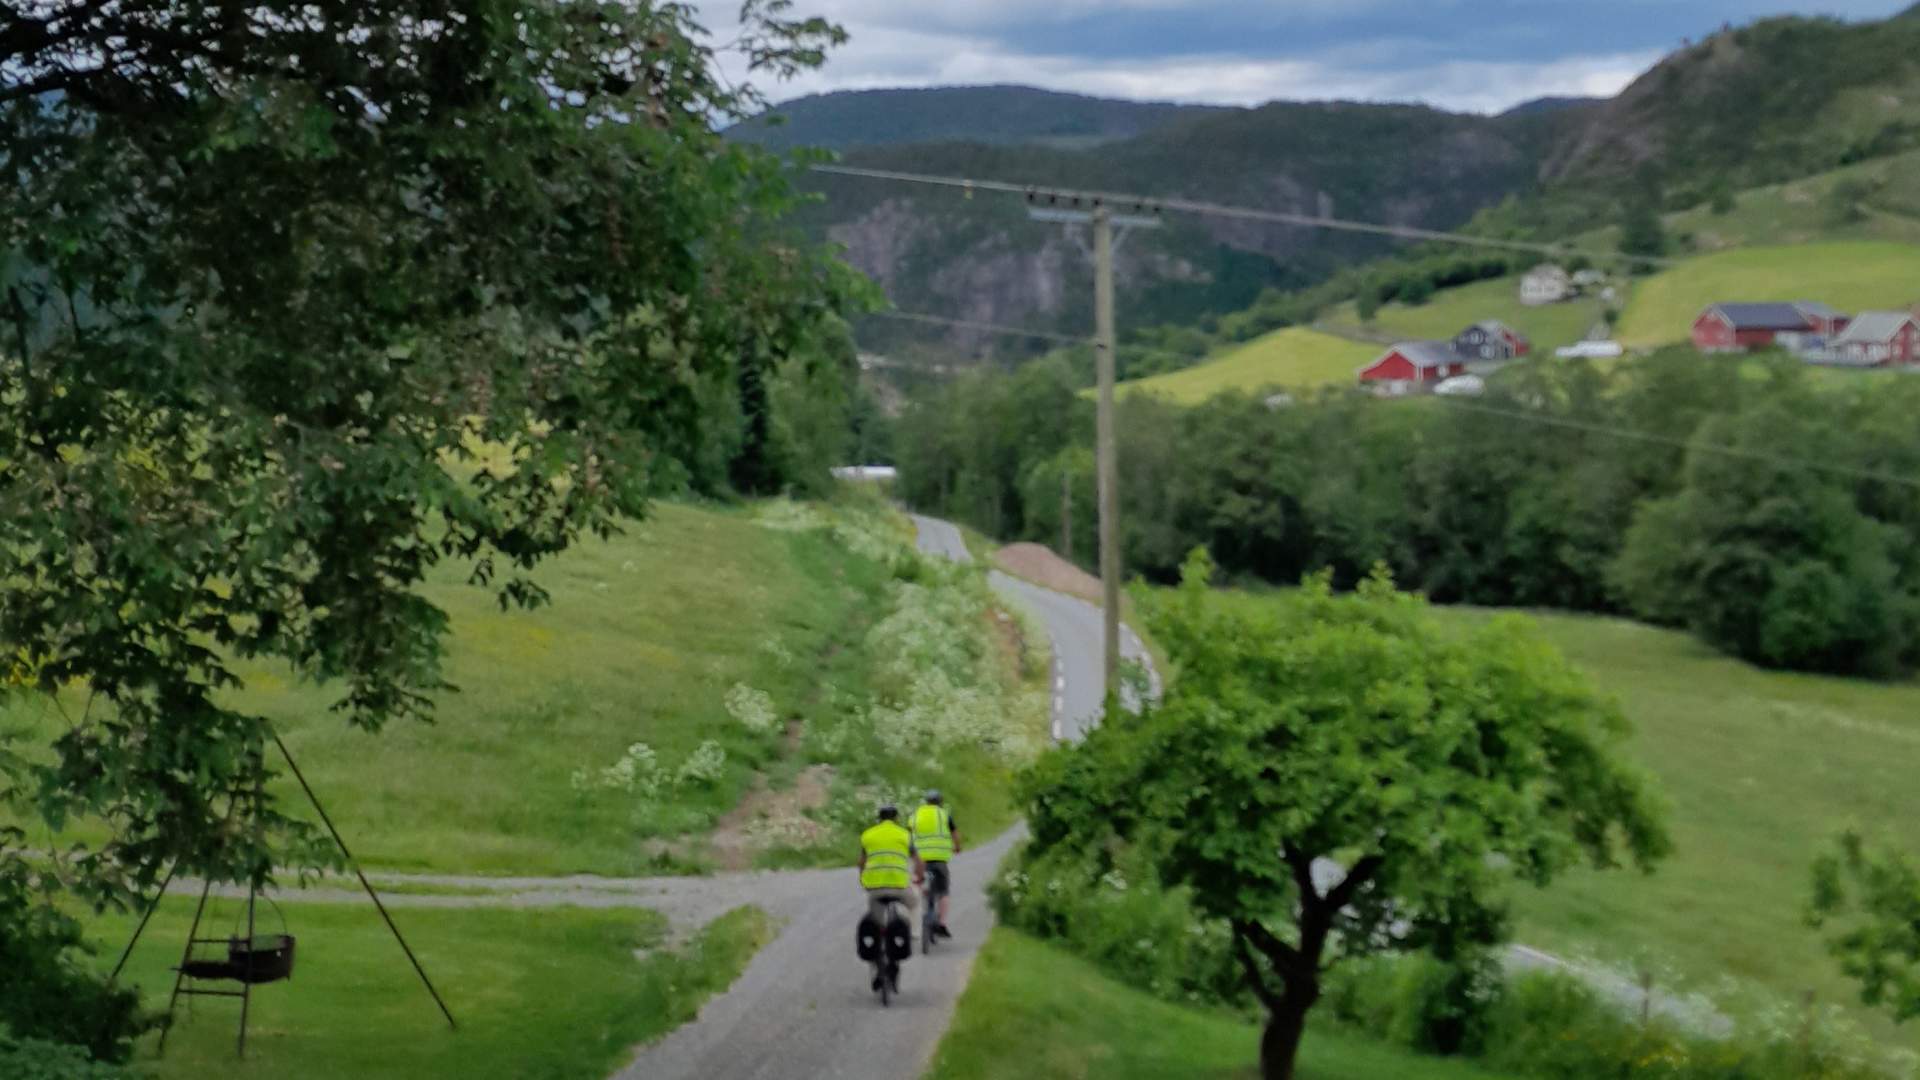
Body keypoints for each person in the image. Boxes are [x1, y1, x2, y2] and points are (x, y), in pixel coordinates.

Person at [859, 803, 923, 978]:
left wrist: (863, 879)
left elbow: (862, 862)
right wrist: (919, 877)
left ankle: (875, 971)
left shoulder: (868, 835)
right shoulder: (904, 835)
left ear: (879, 818)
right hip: (900, 887)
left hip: (876, 889)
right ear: (896, 818)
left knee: (875, 926)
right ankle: (914, 934)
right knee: (915, 902)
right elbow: (918, 861)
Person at [911, 790, 961, 940]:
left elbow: (908, 833)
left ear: (926, 802)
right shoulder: (944, 814)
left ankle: (919, 915)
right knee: (944, 891)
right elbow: (955, 834)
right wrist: (957, 847)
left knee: (918, 884)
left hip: (921, 859)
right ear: (940, 802)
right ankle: (942, 924)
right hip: (939, 859)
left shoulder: (916, 815)